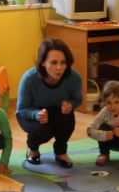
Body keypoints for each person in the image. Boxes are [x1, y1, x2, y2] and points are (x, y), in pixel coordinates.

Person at [17, 39, 83, 168]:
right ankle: (32, 148)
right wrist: (36, 114)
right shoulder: (29, 78)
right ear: (42, 62)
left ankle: (61, 152)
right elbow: (22, 109)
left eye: (63, 62)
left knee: (68, 120)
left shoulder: (74, 77)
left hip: (57, 111)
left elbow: (78, 99)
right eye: (53, 62)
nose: (59, 67)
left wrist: (70, 104)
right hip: (30, 114)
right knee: (44, 130)